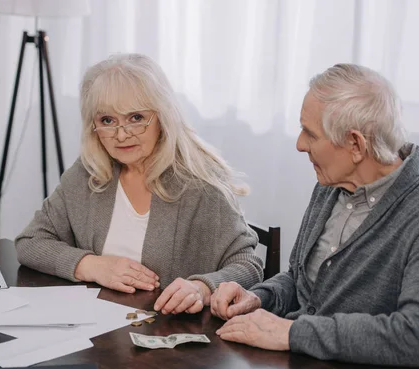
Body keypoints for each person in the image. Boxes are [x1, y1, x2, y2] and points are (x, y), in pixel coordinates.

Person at [212, 64, 419, 369]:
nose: (300, 144)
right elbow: (301, 281)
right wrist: (259, 297)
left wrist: (291, 332)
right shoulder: (330, 186)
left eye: (310, 134)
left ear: (355, 144)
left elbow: (418, 337)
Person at [15, 54, 262, 315]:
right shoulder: (90, 171)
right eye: (107, 121)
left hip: (171, 340)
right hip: (99, 330)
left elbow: (248, 265)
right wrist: (93, 266)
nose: (121, 135)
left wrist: (201, 287)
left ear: (162, 117)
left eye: (136, 118)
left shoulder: (200, 182)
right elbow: (30, 242)